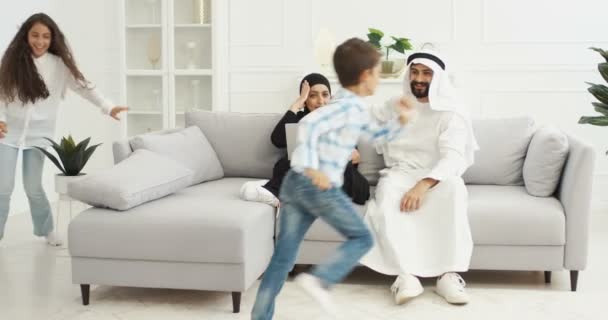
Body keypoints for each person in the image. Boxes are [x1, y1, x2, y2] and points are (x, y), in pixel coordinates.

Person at [250, 38, 414, 320]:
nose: (379, 78)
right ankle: (321, 279)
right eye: (377, 72)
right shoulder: (344, 107)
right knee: (362, 237)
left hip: (295, 186)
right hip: (314, 185)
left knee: (283, 258)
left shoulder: (352, 107)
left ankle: (261, 316)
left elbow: (376, 138)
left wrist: (399, 122)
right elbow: (309, 124)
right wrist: (310, 166)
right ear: (365, 76)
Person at [360, 50, 479, 305]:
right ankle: (406, 276)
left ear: (438, 78)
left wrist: (423, 185)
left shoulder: (452, 111)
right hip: (400, 173)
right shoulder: (397, 103)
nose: (419, 78)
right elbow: (365, 115)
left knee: (455, 191)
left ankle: (449, 276)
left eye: (426, 73)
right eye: (414, 72)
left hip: (437, 178)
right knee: (387, 192)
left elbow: (453, 158)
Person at [0, 13, 127, 246]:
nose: (40, 41)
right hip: (8, 133)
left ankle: (46, 229)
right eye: (35, 35)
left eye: (46, 37)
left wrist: (108, 107)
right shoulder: (11, 62)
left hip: (39, 134)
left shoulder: (58, 66)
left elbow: (84, 87)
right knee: (3, 187)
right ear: (25, 36)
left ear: (52, 39)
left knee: (33, 186)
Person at [239, 73, 370, 207]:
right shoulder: (299, 119)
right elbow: (277, 140)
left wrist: (352, 156)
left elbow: (352, 161)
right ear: (305, 99)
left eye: (325, 95)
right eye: (313, 95)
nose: (320, 101)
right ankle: (276, 191)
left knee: (354, 182)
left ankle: (272, 190)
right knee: (285, 164)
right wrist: (297, 104)